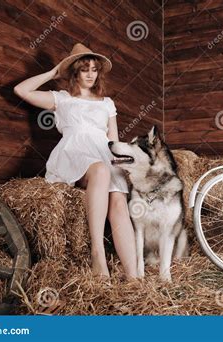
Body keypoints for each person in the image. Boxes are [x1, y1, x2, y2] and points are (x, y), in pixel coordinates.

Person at [14, 43, 138, 280]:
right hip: (75, 152)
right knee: (100, 171)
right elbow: (21, 90)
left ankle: (134, 277)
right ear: (74, 72)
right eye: (85, 69)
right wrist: (53, 72)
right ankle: (97, 254)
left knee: (119, 202)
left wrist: (122, 161)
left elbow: (113, 139)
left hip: (104, 151)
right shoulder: (61, 99)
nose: (91, 74)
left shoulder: (107, 103)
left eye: (94, 69)